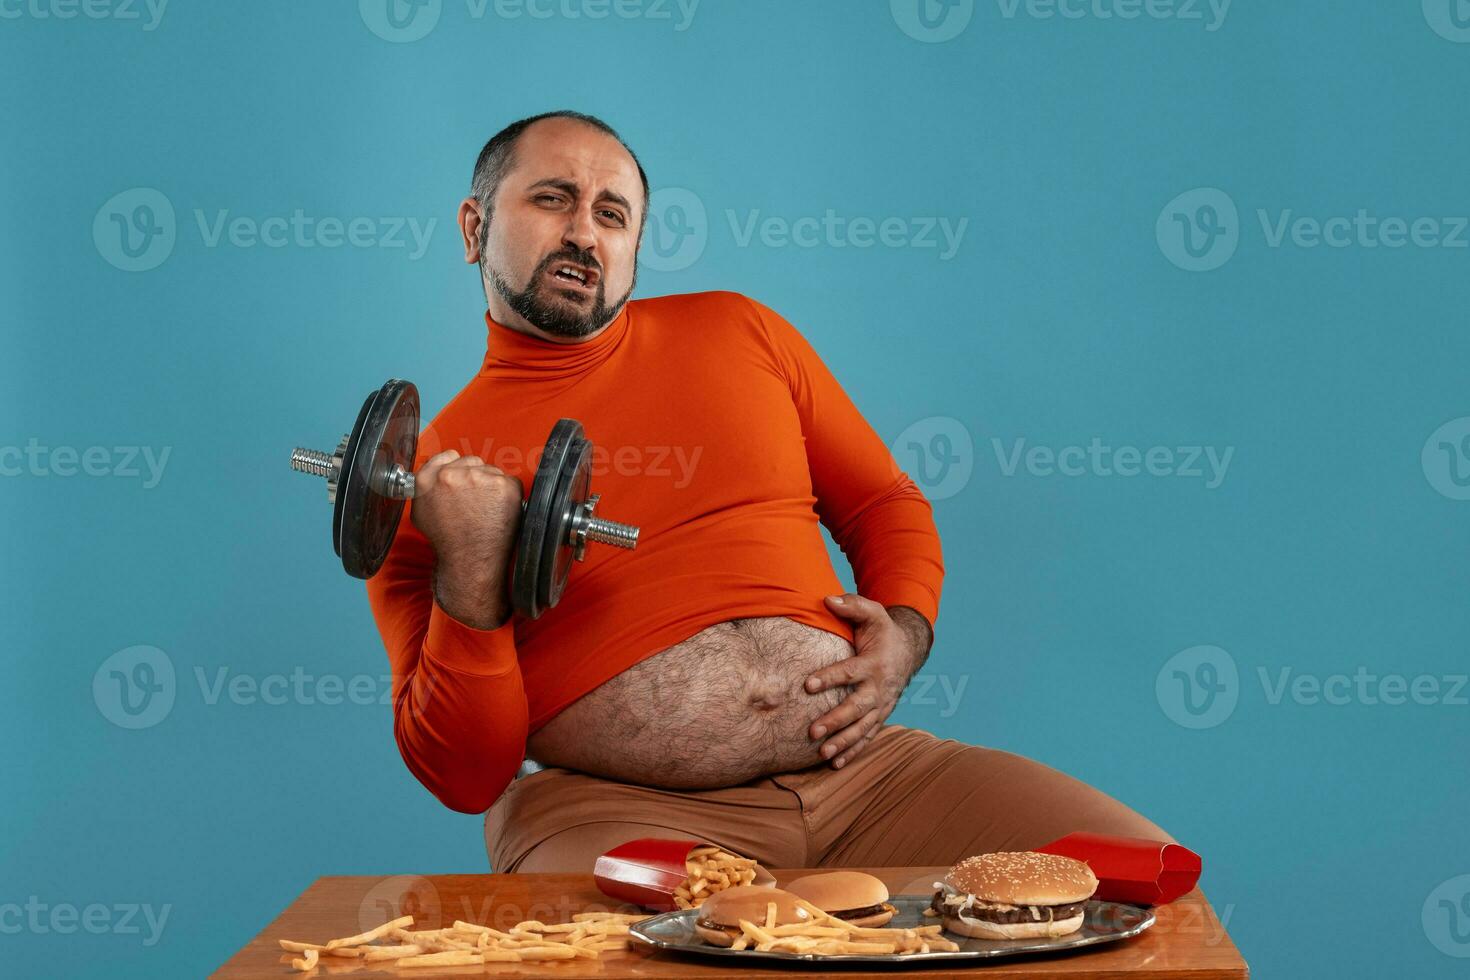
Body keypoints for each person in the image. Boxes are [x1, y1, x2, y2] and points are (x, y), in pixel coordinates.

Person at [366, 110, 1173, 873]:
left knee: (1141, 877)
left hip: (867, 778)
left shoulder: (739, 332)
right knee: (654, 951)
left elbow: (882, 502)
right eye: (552, 199)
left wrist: (903, 632)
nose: (584, 232)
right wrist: (471, 577)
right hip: (613, 810)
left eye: (613, 215)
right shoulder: (429, 478)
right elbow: (465, 776)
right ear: (474, 227)